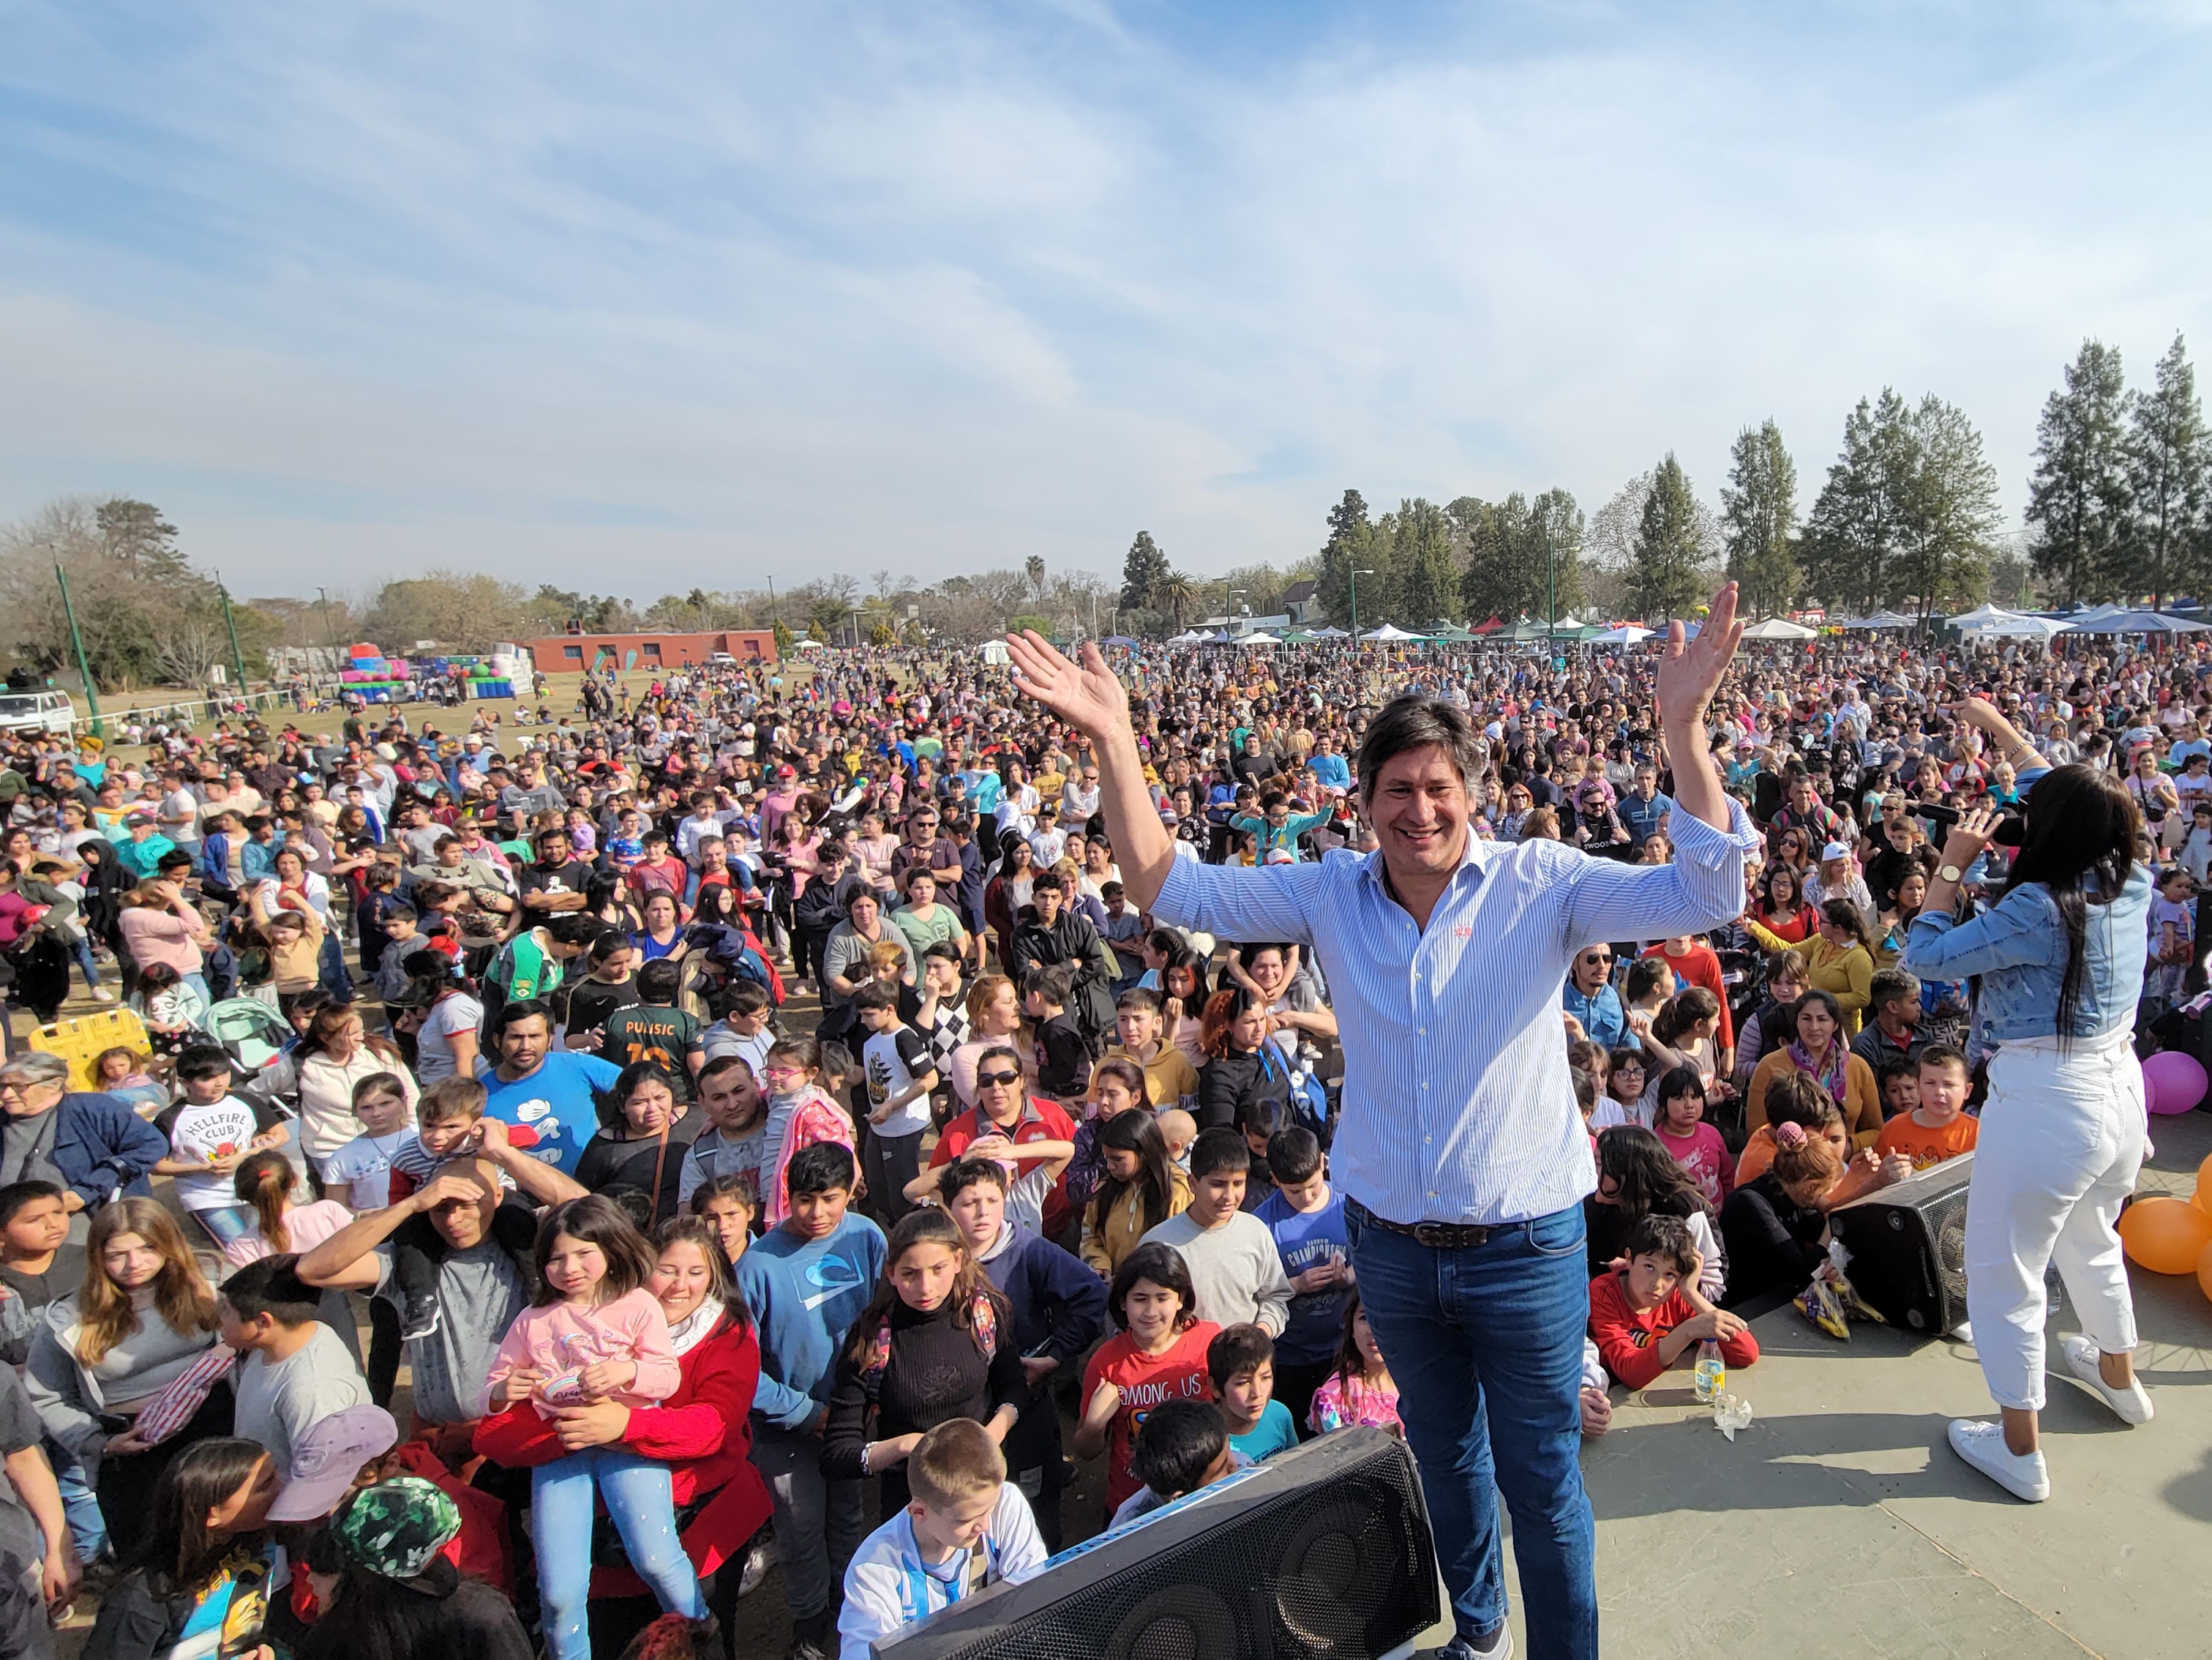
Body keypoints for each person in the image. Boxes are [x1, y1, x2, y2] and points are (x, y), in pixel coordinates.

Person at [1007, 585, 1754, 1656]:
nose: (1419, 810)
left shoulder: (1540, 886)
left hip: (1523, 1247)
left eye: (1437, 787)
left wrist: (1682, 731)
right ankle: (1480, 1631)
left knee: (1541, 1485)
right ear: (1360, 799)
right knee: (1443, 1465)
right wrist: (1117, 741)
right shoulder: (1326, 897)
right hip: (1395, 1254)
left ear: (1471, 794)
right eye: (1396, 788)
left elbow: (1707, 892)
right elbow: (1165, 883)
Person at [1898, 766, 2157, 1503]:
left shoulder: (2036, 910)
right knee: (2091, 1237)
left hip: (2047, 1100)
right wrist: (2005, 737)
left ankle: (2019, 1450)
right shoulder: (2132, 876)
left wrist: (1950, 863)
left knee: (2004, 1271)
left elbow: (1922, 957)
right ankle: (2118, 1378)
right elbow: (2084, 792)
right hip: (2118, 1088)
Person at [473, 1214, 772, 1653]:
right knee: (579, 1610)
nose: (678, 1286)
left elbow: (712, 1427)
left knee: (686, 1635)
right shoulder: (546, 1321)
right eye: (667, 1269)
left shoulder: (724, 1334)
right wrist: (573, 1430)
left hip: (699, 1525)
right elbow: (493, 1434)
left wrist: (625, 1426)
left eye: (696, 1273)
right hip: (599, 1550)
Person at [735, 1143, 886, 1660]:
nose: (817, 1213)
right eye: (804, 1200)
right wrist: (805, 1414)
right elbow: (741, 1370)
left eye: (829, 1199)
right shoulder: (757, 1266)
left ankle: (848, 1609)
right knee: (800, 1531)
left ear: (849, 1194)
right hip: (785, 1429)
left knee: (846, 1516)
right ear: (787, 1196)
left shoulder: (867, 1236)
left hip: (851, 1417)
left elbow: (885, 1319)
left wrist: (866, 1399)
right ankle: (808, 1623)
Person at [25, 1199, 225, 1558]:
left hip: (214, 1431)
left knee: (225, 1552)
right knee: (151, 1558)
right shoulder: (69, 1317)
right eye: (118, 1254)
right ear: (98, 1257)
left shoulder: (209, 1286)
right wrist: (99, 1442)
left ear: (169, 1244)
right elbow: (48, 1395)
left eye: (148, 1248)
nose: (134, 1264)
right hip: (134, 1446)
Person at [939, 1156, 1106, 1550]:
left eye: (992, 1200)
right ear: (948, 1207)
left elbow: (1091, 1294)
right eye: (968, 1202)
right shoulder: (937, 1260)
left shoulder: (1029, 1250)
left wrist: (1055, 1353)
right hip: (963, 1410)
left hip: (1026, 1405)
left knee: (1034, 1501)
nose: (982, 1212)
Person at [820, 1210, 1023, 1524]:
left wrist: (992, 1433)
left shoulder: (984, 1314)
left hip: (985, 1494)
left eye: (938, 1269)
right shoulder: (872, 1339)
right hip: (913, 1510)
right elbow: (838, 1454)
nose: (926, 1287)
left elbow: (1014, 1387)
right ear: (890, 1273)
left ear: (958, 1261)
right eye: (910, 1274)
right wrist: (906, 1446)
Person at [835, 1418, 1047, 1660]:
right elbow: (862, 1652)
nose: (985, 1525)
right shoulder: (874, 1569)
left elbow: (1036, 1598)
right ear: (920, 1512)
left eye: (990, 1508)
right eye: (965, 1521)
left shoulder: (1005, 1504)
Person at [292, 1474, 535, 1660]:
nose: (311, 1579)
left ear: (366, 1577)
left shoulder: (479, 1620)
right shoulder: (485, 1613)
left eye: (332, 1565)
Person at [80, 1437, 282, 1660]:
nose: (282, 1487)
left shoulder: (257, 1541)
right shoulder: (142, 1600)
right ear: (212, 1513)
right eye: (265, 1486)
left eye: (277, 1472)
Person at [1074, 1243, 1220, 1519]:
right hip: (1133, 1504)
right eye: (1140, 1298)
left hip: (1205, 1493)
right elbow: (1085, 1451)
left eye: (1162, 1298)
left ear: (1181, 1299)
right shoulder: (1106, 1363)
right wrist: (1094, 1426)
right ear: (1122, 1302)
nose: (1151, 1311)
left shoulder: (1209, 1343)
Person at [217, 1255, 369, 1475]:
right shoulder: (280, 1343)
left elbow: (318, 1480)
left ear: (262, 1323)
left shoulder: (311, 1391)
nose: (220, 1318)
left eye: (228, 1312)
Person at [1137, 1128, 1291, 1334]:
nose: (1229, 1196)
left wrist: (1261, 1333)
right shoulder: (1159, 1244)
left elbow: (1275, 1296)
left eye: (1238, 1184)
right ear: (1193, 1183)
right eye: (1218, 1184)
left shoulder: (1256, 1233)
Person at [1584, 1214, 1758, 1392]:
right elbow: (1631, 1374)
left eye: (1670, 1274)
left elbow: (1746, 1354)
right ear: (1629, 1258)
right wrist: (1688, 1331)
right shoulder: (1603, 1294)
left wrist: (1692, 1294)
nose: (1657, 1284)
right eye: (1649, 1267)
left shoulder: (1679, 1294)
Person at [1252, 1127, 1351, 1434]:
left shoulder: (1348, 1205)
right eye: (1293, 1191)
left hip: (1344, 1350)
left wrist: (1348, 1277)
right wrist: (1296, 1284)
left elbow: (1375, 1263)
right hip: (1292, 1356)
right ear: (1275, 1179)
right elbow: (1257, 1291)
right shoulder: (1263, 1222)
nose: (1306, 1197)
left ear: (1323, 1163)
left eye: (1312, 1186)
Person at [0, 1051, 168, 1227]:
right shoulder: (3, 1120)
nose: (6, 1095)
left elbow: (151, 1145)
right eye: (2, 1086)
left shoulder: (93, 1109)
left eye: (19, 1087)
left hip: (94, 1229)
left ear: (54, 1084)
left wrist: (88, 1190)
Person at [476, 999, 623, 1178]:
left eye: (535, 1036)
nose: (526, 1047)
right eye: (516, 1037)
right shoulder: (479, 1094)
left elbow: (639, 1089)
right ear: (498, 1040)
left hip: (584, 1192)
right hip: (516, 1198)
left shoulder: (578, 1066)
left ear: (550, 1038)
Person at [1717, 1124, 1840, 1307]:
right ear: (1810, 1187)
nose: (1819, 1200)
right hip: (1747, 1305)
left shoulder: (1788, 1192)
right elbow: (1802, 1272)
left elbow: (1815, 1230)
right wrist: (1831, 1228)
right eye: (1821, 1191)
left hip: (1775, 1298)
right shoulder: (1751, 1204)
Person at [1744, 990, 1882, 1145]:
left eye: (1822, 1019)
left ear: (1835, 1025)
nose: (1814, 1027)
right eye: (1806, 1019)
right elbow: (1756, 1130)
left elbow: (1876, 1130)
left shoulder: (1858, 1067)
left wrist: (1849, 1146)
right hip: (1787, 1162)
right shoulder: (1770, 1066)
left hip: (1846, 1163)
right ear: (1796, 1022)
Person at [852, 982, 937, 1226]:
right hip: (879, 1126)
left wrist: (893, 1105)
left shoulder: (906, 1039)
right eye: (862, 1015)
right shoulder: (871, 1042)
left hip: (904, 1128)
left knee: (904, 1193)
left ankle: (917, 1229)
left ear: (889, 1010)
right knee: (878, 1190)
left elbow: (930, 1078)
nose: (864, 1021)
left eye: (869, 1015)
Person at [575, 1062, 702, 1225]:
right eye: (640, 1102)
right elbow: (586, 1200)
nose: (652, 1108)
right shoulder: (604, 1148)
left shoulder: (698, 1120)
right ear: (622, 1105)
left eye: (660, 1098)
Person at [1079, 1107, 1191, 1279]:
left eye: (1117, 1159)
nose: (1109, 1166)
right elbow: (1091, 1236)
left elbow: (1182, 1249)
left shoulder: (1176, 1191)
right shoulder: (1105, 1189)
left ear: (1144, 1152)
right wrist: (1100, 1265)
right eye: (1106, 1158)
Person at [1308, 1285, 1403, 1435]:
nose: (1373, 1329)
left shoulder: (1420, 1383)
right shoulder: (1334, 1397)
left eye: (1385, 1317)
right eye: (1365, 1318)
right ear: (1351, 1328)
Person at [1871, 1044, 1980, 1171]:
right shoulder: (1893, 1129)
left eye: (1948, 1084)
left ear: (1967, 1090)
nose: (1939, 1091)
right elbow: (1876, 1176)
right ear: (1918, 1086)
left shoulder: (1979, 1133)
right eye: (1930, 1083)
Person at [678, 1055, 766, 1208]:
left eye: (738, 1091)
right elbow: (689, 1218)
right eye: (719, 1098)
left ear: (757, 1085)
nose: (732, 1105)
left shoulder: (790, 1130)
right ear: (703, 1103)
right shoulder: (700, 1156)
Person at [1210, 1323, 1297, 1462]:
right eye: (1243, 1383)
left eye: (1265, 1378)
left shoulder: (1280, 1415)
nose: (1257, 1393)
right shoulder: (1210, 1443)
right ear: (1215, 1387)